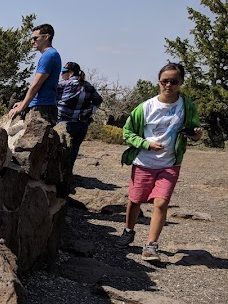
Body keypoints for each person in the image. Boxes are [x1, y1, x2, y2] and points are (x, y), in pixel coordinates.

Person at [116, 63, 202, 262]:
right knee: (135, 200)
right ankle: (128, 230)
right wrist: (145, 144)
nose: (169, 85)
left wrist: (196, 135)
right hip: (143, 163)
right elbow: (127, 133)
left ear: (181, 83)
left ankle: (151, 246)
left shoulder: (187, 107)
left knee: (161, 203)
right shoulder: (145, 107)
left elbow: (194, 132)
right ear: (159, 82)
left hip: (170, 164)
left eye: (174, 81)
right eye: (165, 81)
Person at [9, 23, 62, 124]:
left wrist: (22, 107)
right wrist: (23, 103)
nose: (32, 42)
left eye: (35, 38)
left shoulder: (49, 55)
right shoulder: (52, 54)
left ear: (46, 37)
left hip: (42, 108)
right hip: (43, 105)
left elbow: (36, 84)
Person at [57, 62, 103, 171]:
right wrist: (89, 112)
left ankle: (58, 179)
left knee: (59, 151)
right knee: (73, 151)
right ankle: (68, 175)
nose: (61, 74)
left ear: (71, 73)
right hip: (81, 125)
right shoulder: (88, 86)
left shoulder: (63, 85)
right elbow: (98, 100)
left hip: (64, 124)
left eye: (63, 72)